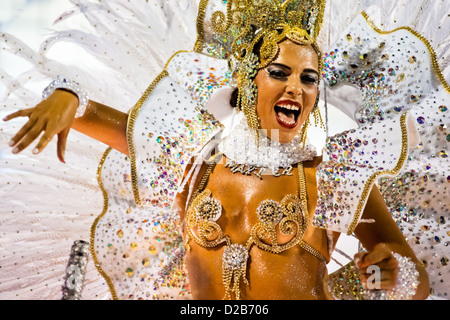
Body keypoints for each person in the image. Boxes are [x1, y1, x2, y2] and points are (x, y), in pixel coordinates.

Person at [1, 0, 438, 300]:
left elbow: (413, 279)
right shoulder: (193, 159)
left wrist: (388, 273)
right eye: (280, 72)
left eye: (308, 79)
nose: (296, 88)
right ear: (249, 81)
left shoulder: (334, 172)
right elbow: (104, 119)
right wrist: (67, 97)